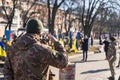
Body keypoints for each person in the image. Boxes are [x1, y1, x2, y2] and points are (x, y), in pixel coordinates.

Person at [4, 18, 68, 80]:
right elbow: (64, 62)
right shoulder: (41, 49)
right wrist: (56, 42)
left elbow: (7, 71)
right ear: (40, 33)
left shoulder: (13, 48)